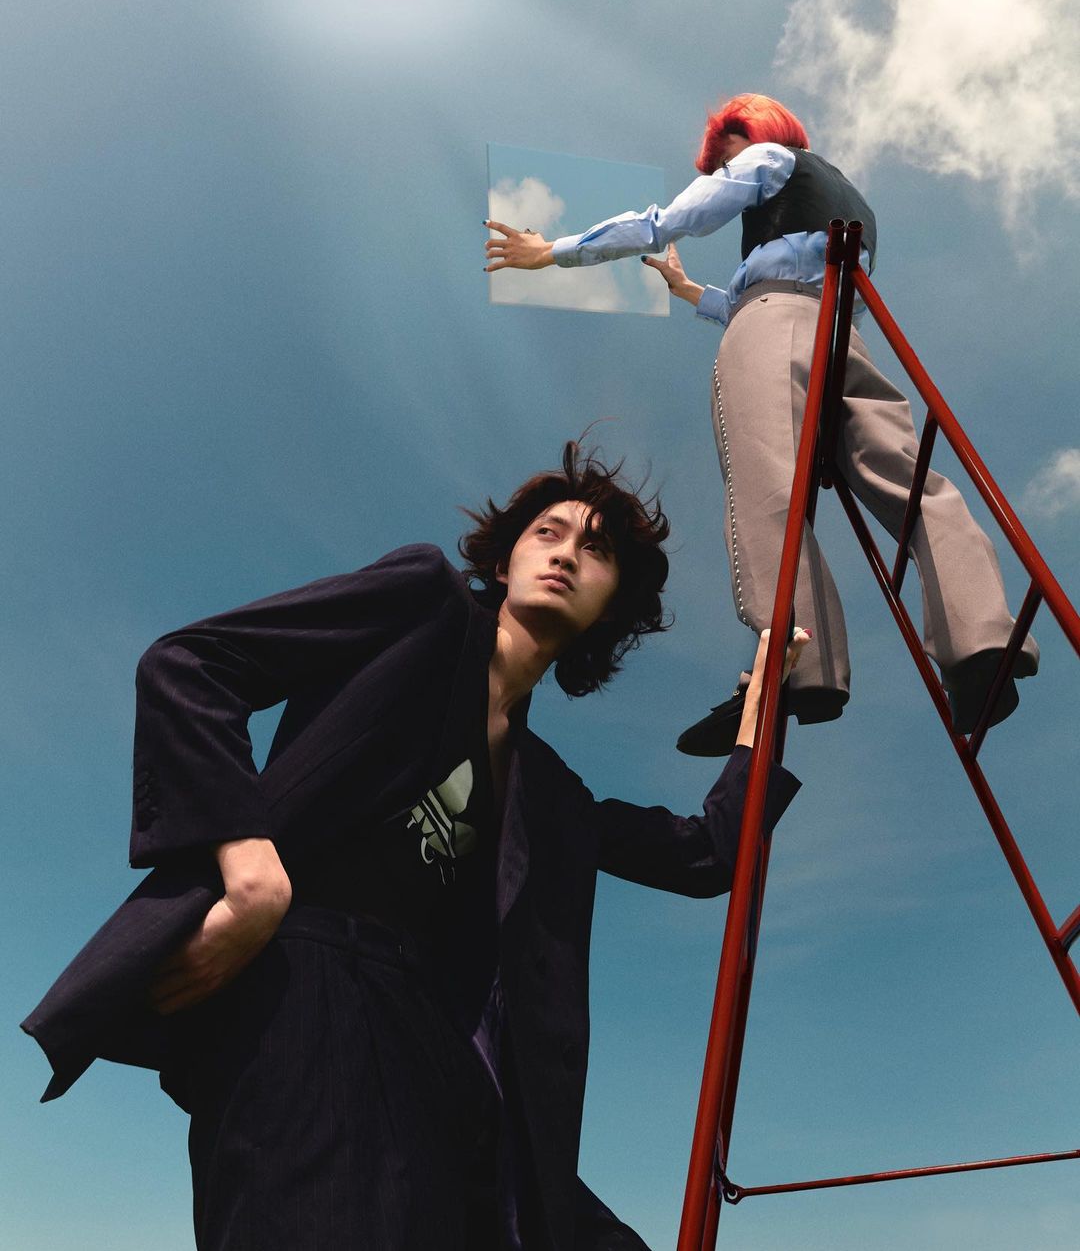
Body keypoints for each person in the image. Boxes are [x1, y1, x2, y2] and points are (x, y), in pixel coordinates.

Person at [23, 442, 806, 1251]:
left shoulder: (548, 789)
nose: (568, 554)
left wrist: (762, 717)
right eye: (548, 533)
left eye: (597, 550)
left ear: (611, 606)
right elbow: (190, 665)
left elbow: (706, 856)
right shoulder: (425, 605)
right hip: (302, 988)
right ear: (503, 563)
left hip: (441, 1048)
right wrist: (248, 863)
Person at [484, 93, 1038, 754]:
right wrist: (692, 293)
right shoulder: (845, 198)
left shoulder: (766, 160)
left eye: (721, 152)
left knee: (766, 489)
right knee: (911, 483)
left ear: (748, 132)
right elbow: (791, 282)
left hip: (774, 328)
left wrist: (552, 252)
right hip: (843, 336)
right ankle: (982, 639)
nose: (718, 164)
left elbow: (668, 224)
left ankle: (800, 667)